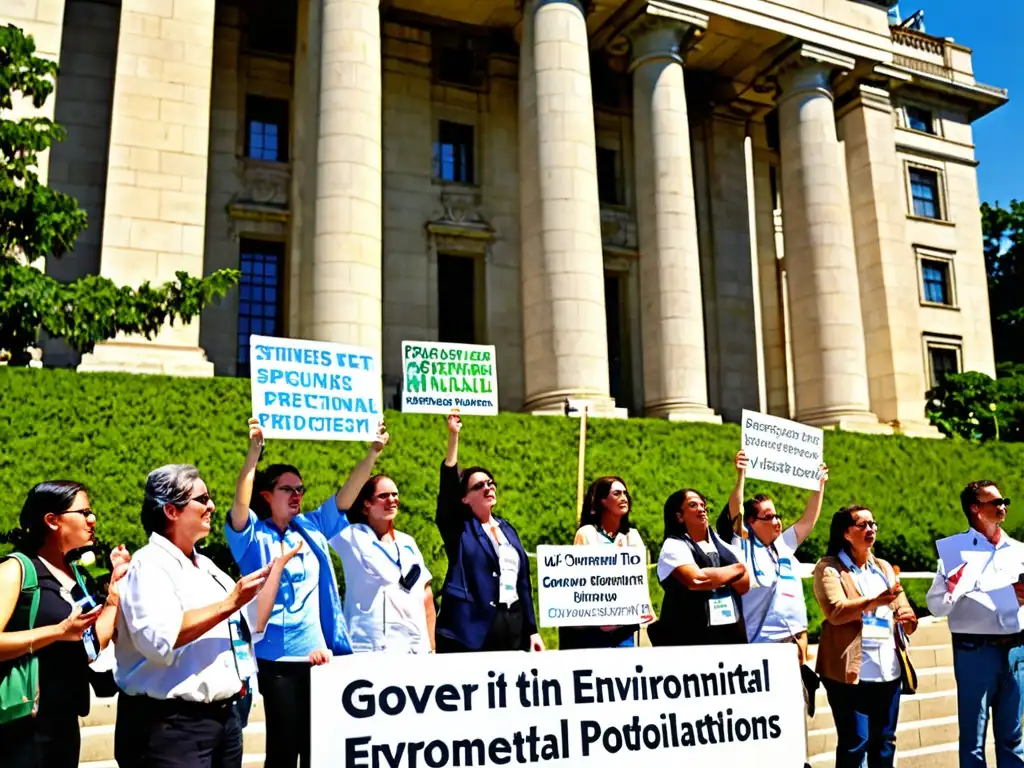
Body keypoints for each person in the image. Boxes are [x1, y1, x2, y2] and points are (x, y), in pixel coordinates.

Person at [225, 417, 388, 768]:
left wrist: (372, 454)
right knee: (284, 751)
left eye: (301, 489)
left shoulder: (311, 527)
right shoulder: (253, 537)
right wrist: (253, 454)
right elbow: (239, 507)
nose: (298, 495)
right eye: (288, 489)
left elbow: (346, 496)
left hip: (319, 658)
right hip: (278, 662)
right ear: (267, 496)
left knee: (318, 751)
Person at [114, 464, 269, 768]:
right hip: (172, 726)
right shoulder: (149, 565)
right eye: (202, 499)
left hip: (223, 718)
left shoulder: (207, 565)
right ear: (171, 511)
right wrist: (229, 603)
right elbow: (161, 640)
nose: (211, 506)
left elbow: (247, 624)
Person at [0, 481, 129, 768]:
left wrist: (114, 594)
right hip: (21, 722)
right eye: (84, 512)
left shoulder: (75, 576)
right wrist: (58, 631)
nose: (92, 519)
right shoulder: (16, 569)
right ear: (52, 520)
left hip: (64, 720)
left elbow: (92, 644)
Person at [926, 481, 1024, 768]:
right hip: (975, 651)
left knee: (1014, 737)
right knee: (973, 741)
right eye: (995, 502)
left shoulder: (1019, 549)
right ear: (976, 509)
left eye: (1004, 500)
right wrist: (952, 588)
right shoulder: (955, 549)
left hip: (1016, 651)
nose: (1002, 506)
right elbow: (936, 605)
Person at [812, 506, 917, 768]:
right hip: (850, 672)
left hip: (888, 670)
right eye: (862, 525)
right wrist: (874, 601)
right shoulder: (829, 568)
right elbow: (835, 611)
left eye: (873, 524)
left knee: (885, 742)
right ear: (846, 533)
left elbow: (902, 606)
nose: (871, 529)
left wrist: (908, 619)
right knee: (855, 741)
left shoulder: (883, 567)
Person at [434, 414, 543, 653]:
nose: (488, 487)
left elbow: (522, 582)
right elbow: (448, 489)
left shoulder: (507, 529)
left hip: (512, 625)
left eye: (491, 483)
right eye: (479, 485)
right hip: (470, 632)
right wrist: (454, 436)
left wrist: (532, 630)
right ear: (464, 498)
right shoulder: (460, 529)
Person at [717, 450, 828, 653]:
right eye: (769, 517)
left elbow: (808, 521)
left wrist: (819, 486)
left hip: (797, 639)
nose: (777, 521)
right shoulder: (742, 545)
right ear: (751, 522)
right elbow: (736, 509)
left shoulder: (783, 545)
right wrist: (741, 475)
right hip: (763, 643)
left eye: (777, 515)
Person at [330, 474, 436, 654]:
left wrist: (432, 647)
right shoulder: (351, 536)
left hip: (413, 649)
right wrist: (372, 456)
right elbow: (335, 510)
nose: (392, 499)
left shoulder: (407, 543)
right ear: (366, 504)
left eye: (395, 494)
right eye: (383, 496)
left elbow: (426, 595)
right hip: (368, 647)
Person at [653, 488, 750, 646]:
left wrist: (716, 576)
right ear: (679, 516)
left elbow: (744, 585)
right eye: (693, 505)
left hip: (729, 638)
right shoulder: (673, 545)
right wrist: (737, 570)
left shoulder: (723, 545)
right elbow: (697, 580)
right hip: (687, 641)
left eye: (702, 505)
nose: (701, 509)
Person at [562, 476, 645, 649]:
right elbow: (587, 580)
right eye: (616, 494)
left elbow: (637, 581)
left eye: (625, 493)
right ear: (602, 501)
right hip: (594, 627)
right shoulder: (587, 533)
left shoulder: (632, 536)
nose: (623, 498)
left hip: (624, 626)